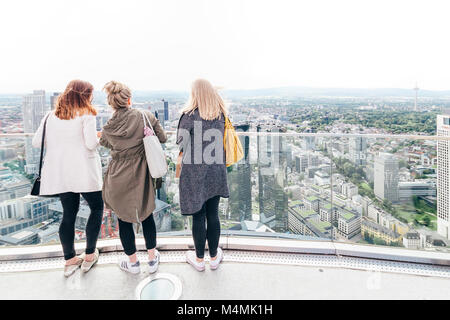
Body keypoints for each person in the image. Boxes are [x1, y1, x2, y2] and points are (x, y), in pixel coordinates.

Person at [32, 79, 103, 277]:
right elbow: (90, 144)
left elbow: (37, 142)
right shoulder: (87, 114)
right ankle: (89, 255)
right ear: (85, 95)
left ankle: (70, 259)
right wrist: (98, 137)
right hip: (84, 171)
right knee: (97, 208)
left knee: (68, 214)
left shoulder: (50, 116)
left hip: (61, 172)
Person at [100, 80, 167, 274]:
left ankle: (133, 263)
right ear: (129, 99)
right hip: (141, 173)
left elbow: (106, 143)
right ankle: (152, 259)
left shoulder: (108, 127)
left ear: (112, 103)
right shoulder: (144, 116)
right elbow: (162, 138)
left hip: (117, 174)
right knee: (146, 215)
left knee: (123, 219)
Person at [176, 79, 229, 271]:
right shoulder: (220, 114)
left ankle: (199, 260)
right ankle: (214, 257)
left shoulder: (188, 116)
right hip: (215, 169)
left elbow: (181, 142)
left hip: (194, 171)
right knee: (213, 214)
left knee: (198, 216)